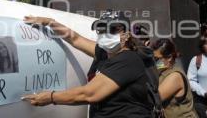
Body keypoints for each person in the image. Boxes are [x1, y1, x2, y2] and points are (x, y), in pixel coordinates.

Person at [21, 10, 154, 118]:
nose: (106, 34)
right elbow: (75, 39)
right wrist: (50, 22)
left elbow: (89, 94)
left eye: (113, 29)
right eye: (101, 29)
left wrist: (50, 97)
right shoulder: (104, 53)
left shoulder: (128, 60)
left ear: (127, 34)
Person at [151, 39, 198, 118]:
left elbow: (154, 98)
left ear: (169, 57)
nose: (154, 61)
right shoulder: (163, 72)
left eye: (156, 59)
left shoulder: (175, 76)